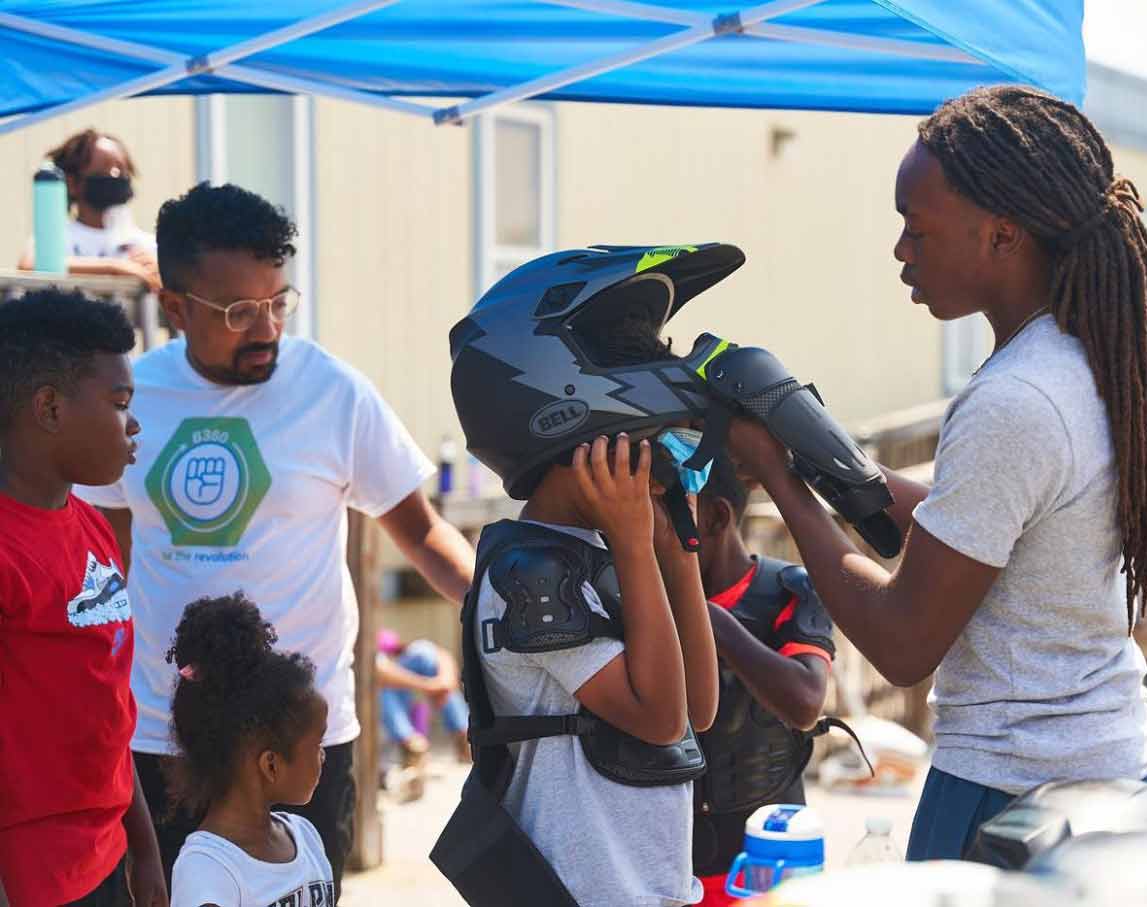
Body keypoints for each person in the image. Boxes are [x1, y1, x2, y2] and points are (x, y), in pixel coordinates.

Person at [726, 84, 1147, 861]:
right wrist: (825, 455)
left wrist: (779, 477)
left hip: (1012, 800)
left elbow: (902, 642)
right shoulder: (1090, 360)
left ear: (1002, 236)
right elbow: (989, 522)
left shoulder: (1013, 400)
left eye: (917, 228)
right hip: (1112, 778)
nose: (902, 249)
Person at [76, 182, 476, 894]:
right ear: (174, 308)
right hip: (165, 738)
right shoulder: (130, 397)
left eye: (277, 302)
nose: (265, 328)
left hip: (300, 740)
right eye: (237, 310)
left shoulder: (334, 392)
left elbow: (423, 534)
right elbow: (102, 561)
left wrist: (504, 613)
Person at [440, 247, 732, 906]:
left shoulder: (603, 548)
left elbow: (699, 711)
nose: (661, 452)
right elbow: (659, 720)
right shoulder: (531, 574)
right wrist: (633, 542)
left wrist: (673, 547)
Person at [0, 290, 167, 906]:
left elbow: (110, 708)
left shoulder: (93, 525)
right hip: (29, 880)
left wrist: (144, 850)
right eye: (120, 403)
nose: (134, 424)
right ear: (48, 407)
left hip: (106, 860)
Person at [690, 456, 834, 906]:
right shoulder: (638, 594)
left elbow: (806, 702)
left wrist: (714, 623)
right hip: (666, 866)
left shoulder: (790, 590)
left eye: (666, 510)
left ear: (715, 517)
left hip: (766, 864)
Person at [164, 593, 333, 907]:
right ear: (271, 765)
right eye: (317, 745)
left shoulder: (306, 837)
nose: (324, 756)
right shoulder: (208, 870)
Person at [18, 129, 161, 290]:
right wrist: (115, 268)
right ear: (72, 184)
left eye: (122, 169)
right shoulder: (57, 238)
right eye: (105, 167)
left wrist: (158, 273)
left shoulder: (146, 245)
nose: (115, 174)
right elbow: (29, 264)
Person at [376, 629, 470, 800]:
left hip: (403, 696)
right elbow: (377, 670)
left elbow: (440, 654)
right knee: (379, 684)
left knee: (424, 651)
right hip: (380, 703)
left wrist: (444, 683)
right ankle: (411, 746)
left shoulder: (392, 645)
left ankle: (464, 736)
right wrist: (429, 686)